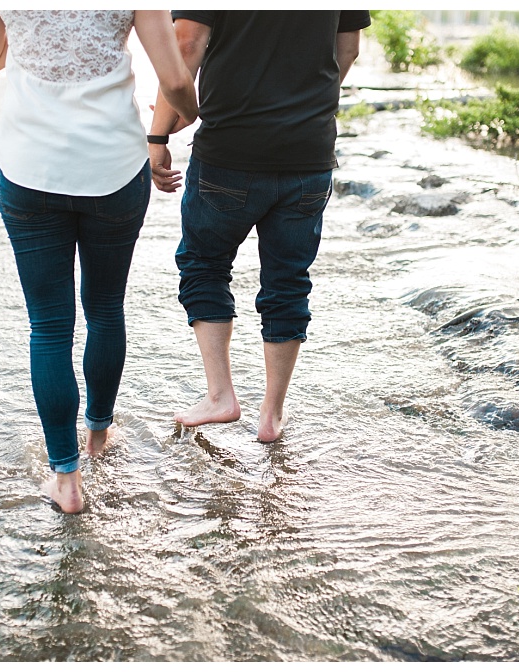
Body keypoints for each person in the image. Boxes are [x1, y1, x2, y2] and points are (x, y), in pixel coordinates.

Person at [0, 10, 198, 513]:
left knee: (49, 327)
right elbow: (176, 78)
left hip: (29, 167)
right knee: (104, 307)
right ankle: (98, 434)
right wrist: (186, 115)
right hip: (114, 166)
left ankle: (66, 480)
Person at [148, 10, 370, 443]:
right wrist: (303, 104)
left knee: (204, 264)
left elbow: (187, 46)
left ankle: (221, 396)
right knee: (288, 281)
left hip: (231, 148)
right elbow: (349, 48)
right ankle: (271, 415)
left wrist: (158, 137)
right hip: (309, 150)